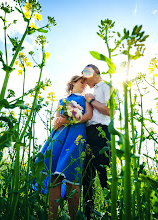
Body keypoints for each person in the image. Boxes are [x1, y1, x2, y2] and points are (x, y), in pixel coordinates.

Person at [38, 75, 93, 220]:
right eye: (81, 82)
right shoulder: (62, 101)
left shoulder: (86, 98)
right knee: (54, 177)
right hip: (59, 137)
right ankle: (52, 217)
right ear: (73, 82)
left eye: (85, 83)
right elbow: (56, 121)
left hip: (75, 137)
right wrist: (58, 122)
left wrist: (70, 119)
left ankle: (74, 217)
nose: (84, 85)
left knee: (72, 177)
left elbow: (88, 115)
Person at [81, 64, 114, 219]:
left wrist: (92, 101)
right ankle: (88, 214)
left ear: (92, 72)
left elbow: (109, 110)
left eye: (85, 75)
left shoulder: (107, 87)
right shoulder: (90, 92)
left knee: (105, 174)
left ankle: (112, 212)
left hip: (101, 133)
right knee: (86, 177)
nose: (84, 81)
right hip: (87, 134)